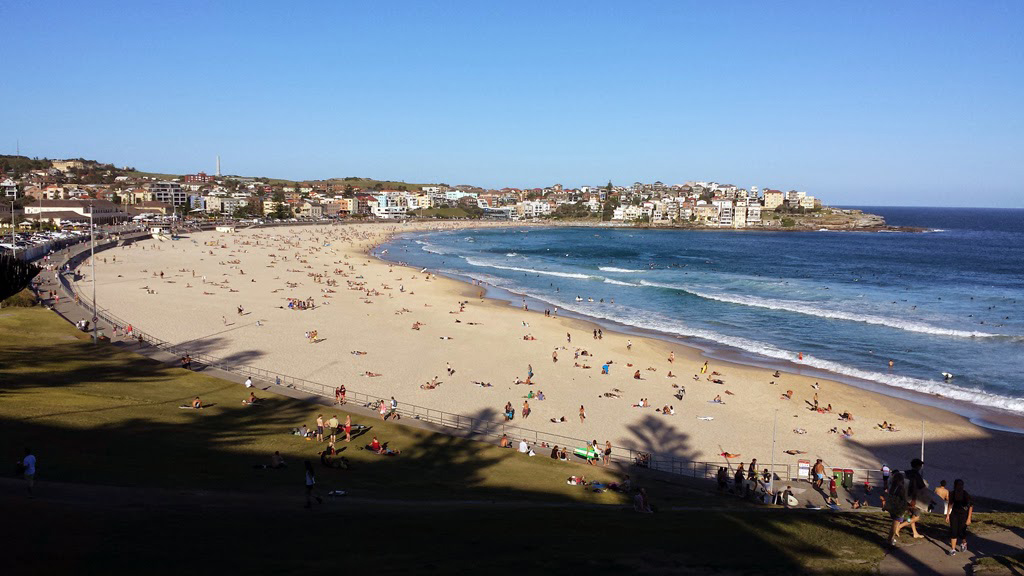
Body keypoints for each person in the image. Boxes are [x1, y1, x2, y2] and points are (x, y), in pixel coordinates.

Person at [946, 479, 973, 555]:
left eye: (961, 485)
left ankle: (964, 543)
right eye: (958, 484)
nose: (960, 486)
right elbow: (950, 504)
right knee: (953, 531)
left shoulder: (965, 494)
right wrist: (947, 515)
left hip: (964, 515)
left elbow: (971, 506)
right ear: (955, 485)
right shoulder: (952, 493)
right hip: (954, 514)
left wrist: (969, 518)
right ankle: (953, 549)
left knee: (962, 532)